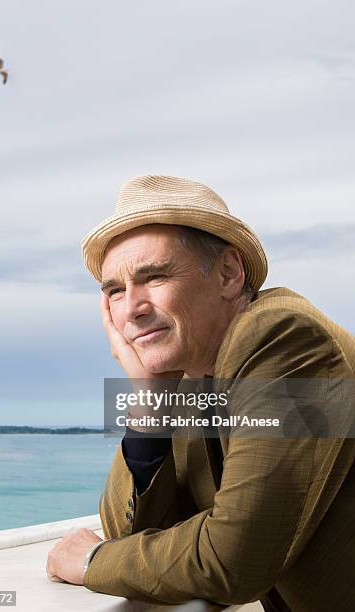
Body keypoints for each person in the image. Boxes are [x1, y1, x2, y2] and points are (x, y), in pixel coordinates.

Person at [46, 175, 355, 611]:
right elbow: (135, 538)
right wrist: (150, 402)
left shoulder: (282, 336)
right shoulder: (196, 379)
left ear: (229, 274)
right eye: (115, 290)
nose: (132, 308)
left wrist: (93, 561)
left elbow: (230, 560)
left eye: (153, 277)